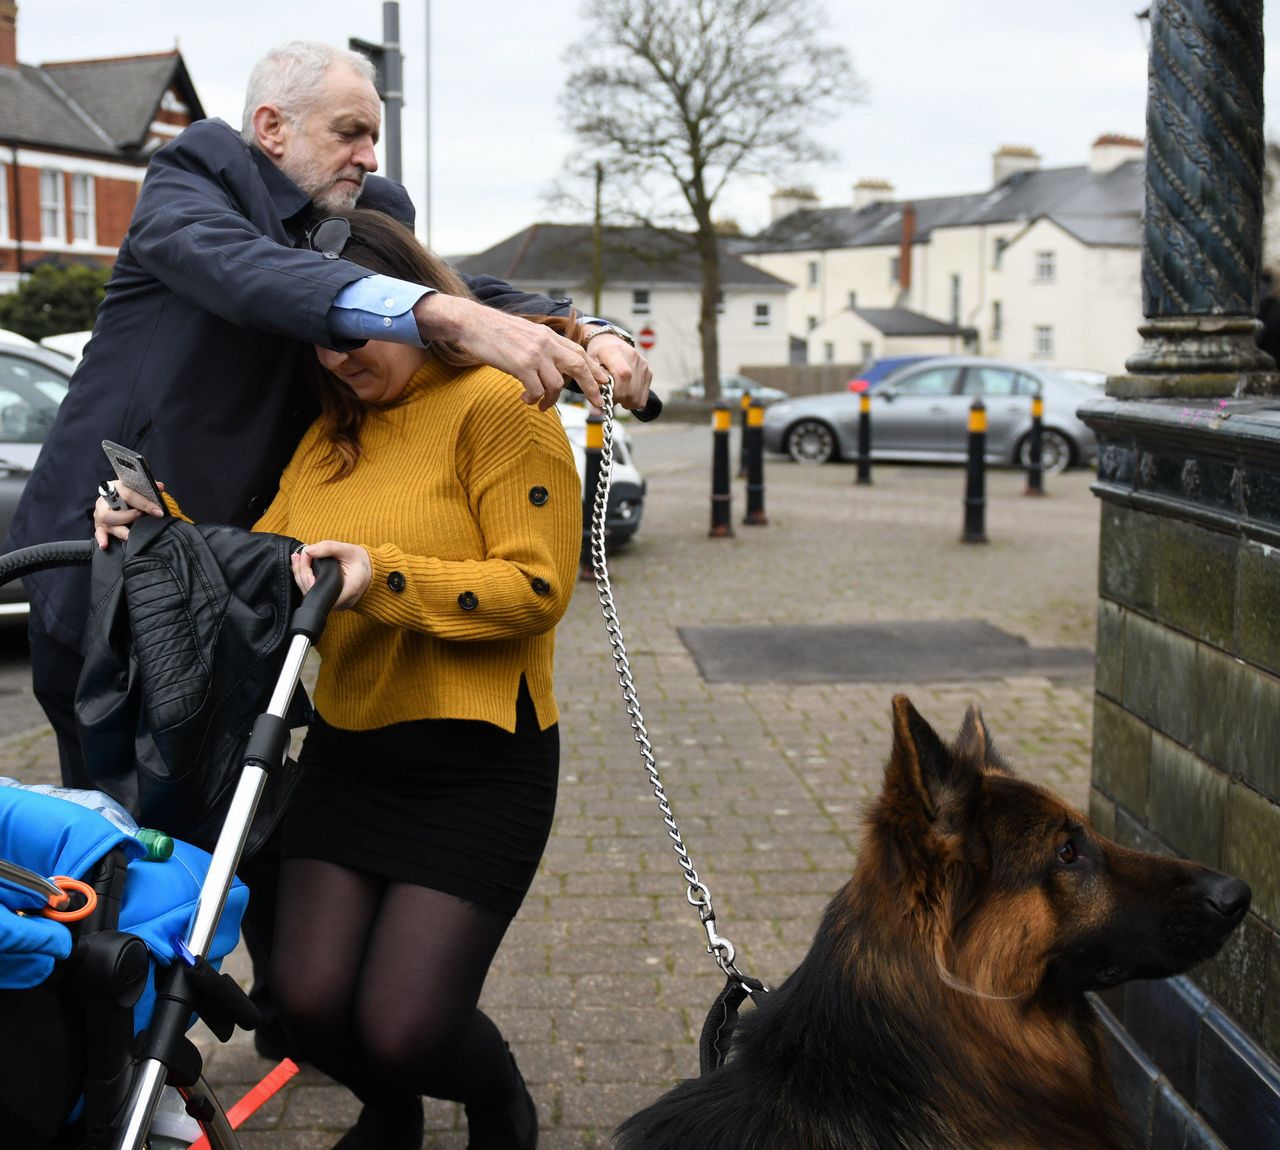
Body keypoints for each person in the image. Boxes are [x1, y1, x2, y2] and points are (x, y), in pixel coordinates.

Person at [9, 38, 650, 789]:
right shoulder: (194, 180)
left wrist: (581, 329)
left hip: (233, 572)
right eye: (350, 132)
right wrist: (444, 317)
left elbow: (446, 284)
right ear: (273, 127)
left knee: (236, 814)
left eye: (374, 135)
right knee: (125, 828)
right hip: (111, 556)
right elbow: (251, 272)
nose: (371, 155)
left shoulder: (356, 212)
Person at [95, 207, 582, 1149]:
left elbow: (535, 587)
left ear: (417, 310)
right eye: (321, 340)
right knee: (308, 1008)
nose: (338, 358)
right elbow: (272, 558)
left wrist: (380, 575)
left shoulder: (497, 405)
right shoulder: (332, 434)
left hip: (480, 759)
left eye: (359, 333)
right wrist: (162, 525)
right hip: (353, 751)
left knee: (410, 1024)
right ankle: (390, 1111)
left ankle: (498, 1099)